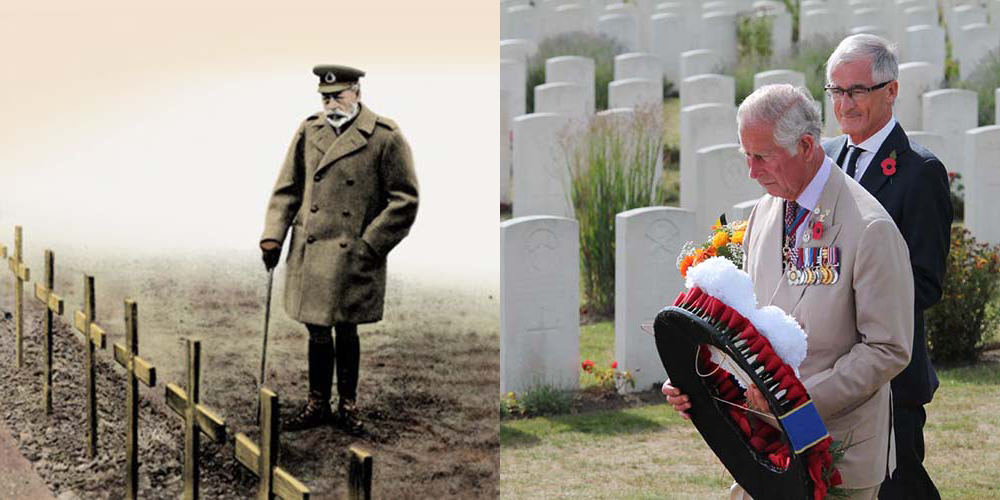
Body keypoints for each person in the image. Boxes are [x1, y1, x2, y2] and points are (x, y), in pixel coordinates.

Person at [663, 84, 914, 499]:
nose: (751, 171)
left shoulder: (869, 228)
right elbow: (752, 325)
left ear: (806, 145)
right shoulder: (765, 212)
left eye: (761, 156)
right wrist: (697, 379)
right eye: (746, 156)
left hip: (836, 449)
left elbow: (888, 348)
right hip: (765, 450)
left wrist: (793, 401)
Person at [821, 34, 951, 500]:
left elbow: (926, 282)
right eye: (835, 91)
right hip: (829, 366)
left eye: (856, 90)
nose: (844, 103)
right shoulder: (827, 158)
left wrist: (848, 303)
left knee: (900, 488)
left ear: (890, 91)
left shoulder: (919, 172)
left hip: (889, 371)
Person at [260, 64, 418, 432]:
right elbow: (288, 188)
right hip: (311, 251)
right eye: (326, 97)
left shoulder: (384, 136)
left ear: (357, 94)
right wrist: (273, 235)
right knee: (316, 330)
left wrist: (370, 245)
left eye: (339, 96)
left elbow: (405, 199)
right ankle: (317, 404)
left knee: (346, 330)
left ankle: (347, 405)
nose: (331, 104)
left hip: (353, 255)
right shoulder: (308, 130)